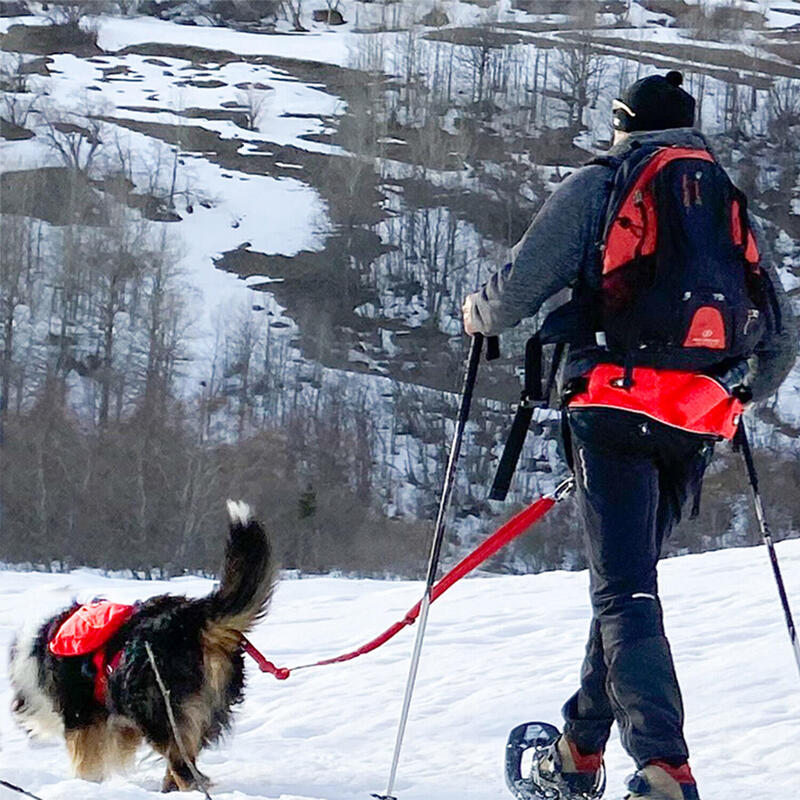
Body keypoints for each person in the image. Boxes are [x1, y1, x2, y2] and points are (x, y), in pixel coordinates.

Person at [462, 72, 797, 800]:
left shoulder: (603, 182)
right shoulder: (722, 197)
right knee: (627, 586)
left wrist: (475, 314)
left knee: (625, 592)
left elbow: (515, 293)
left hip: (609, 411)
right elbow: (781, 332)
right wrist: (731, 394)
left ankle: (663, 765)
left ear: (623, 124)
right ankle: (578, 755)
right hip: (696, 420)